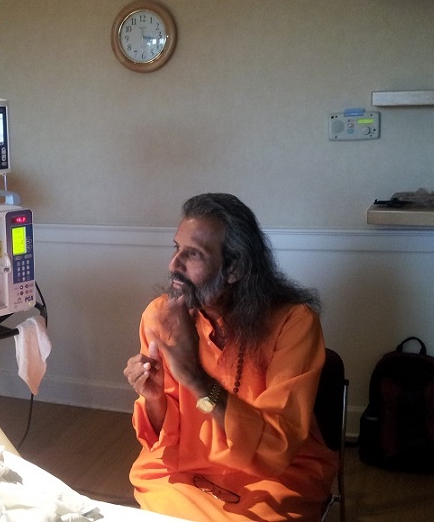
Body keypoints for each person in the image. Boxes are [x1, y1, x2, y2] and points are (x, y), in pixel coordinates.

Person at [123, 193, 337, 521]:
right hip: (181, 472)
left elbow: (277, 448)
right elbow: (163, 441)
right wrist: (153, 399)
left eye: (192, 254)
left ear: (234, 268)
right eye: (176, 247)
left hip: (272, 479)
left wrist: (196, 380)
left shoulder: (293, 323)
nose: (173, 265)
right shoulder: (159, 316)